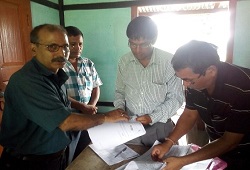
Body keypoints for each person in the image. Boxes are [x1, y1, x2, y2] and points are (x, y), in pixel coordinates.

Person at [0, 24, 129, 170]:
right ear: (34, 48)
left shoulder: (56, 74)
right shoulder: (27, 81)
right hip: (29, 162)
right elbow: (66, 121)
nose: (62, 53)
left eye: (65, 47)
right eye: (53, 47)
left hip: (56, 156)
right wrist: (106, 117)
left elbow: (66, 103)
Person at [151, 40, 250, 170]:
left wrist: (182, 161)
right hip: (219, 148)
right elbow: (189, 115)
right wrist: (168, 143)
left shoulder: (243, 87)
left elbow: (230, 141)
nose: (186, 85)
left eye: (189, 80)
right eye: (182, 79)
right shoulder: (195, 83)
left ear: (211, 71)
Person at [114, 16, 184, 147]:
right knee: (129, 162)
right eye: (133, 44)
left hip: (160, 126)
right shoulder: (124, 61)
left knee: (161, 163)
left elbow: (176, 98)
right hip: (130, 126)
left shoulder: (169, 62)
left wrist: (152, 117)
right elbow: (120, 91)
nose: (137, 50)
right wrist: (119, 110)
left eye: (144, 44)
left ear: (153, 40)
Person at [63, 26, 103, 161]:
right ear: (65, 45)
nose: (77, 47)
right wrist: (82, 107)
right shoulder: (59, 66)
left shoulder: (88, 63)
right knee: (69, 153)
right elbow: (59, 94)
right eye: (73, 44)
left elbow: (96, 87)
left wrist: (91, 106)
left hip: (88, 114)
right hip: (69, 117)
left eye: (80, 44)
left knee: (86, 150)